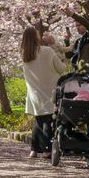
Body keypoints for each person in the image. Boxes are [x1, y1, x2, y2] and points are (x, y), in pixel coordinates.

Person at [21, 26, 69, 157]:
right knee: (48, 120)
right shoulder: (47, 51)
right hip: (50, 90)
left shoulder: (25, 55)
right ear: (36, 37)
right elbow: (61, 68)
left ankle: (34, 150)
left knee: (39, 119)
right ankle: (47, 150)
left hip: (34, 93)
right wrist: (62, 58)